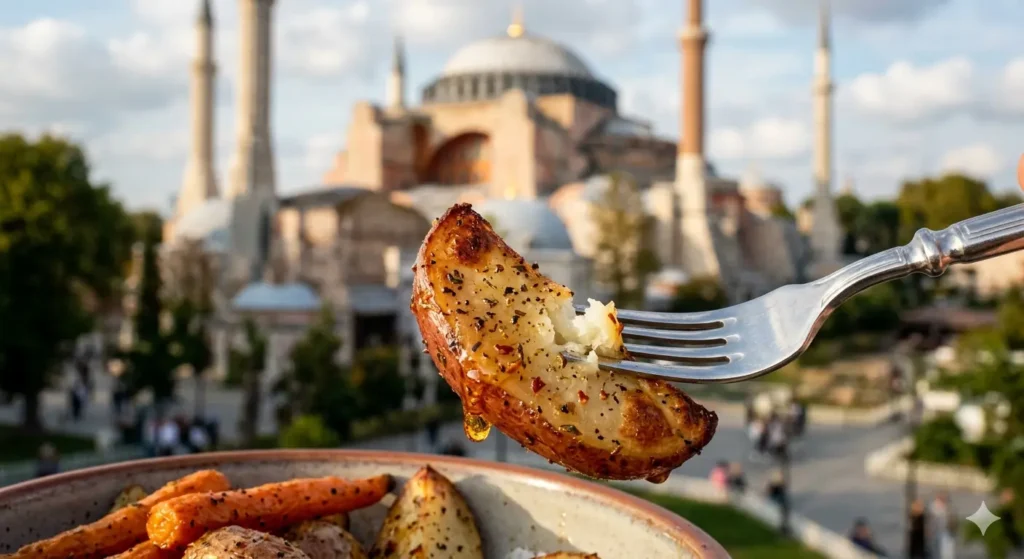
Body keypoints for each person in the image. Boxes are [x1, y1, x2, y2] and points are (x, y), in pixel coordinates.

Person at [929, 492, 957, 559]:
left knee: (946, 551)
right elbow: (932, 520)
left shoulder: (948, 508)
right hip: (938, 532)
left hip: (946, 532)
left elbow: (952, 520)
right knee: (938, 550)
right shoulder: (934, 507)